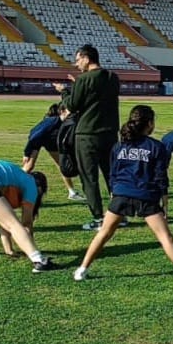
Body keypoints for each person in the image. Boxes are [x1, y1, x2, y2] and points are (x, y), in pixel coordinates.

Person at [72, 105, 173, 285]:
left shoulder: (119, 146)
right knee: (165, 237)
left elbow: (113, 172)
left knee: (104, 233)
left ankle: (81, 270)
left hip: (121, 194)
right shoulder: (156, 147)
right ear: (150, 123)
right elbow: (161, 177)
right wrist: (165, 203)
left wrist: (114, 193)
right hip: (146, 196)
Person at [54, 45, 121, 231]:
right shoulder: (112, 77)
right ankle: (119, 214)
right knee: (111, 174)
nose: (77, 64)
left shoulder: (83, 79)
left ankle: (99, 217)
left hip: (88, 133)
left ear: (86, 58)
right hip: (109, 132)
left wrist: (65, 91)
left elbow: (73, 105)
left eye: (78, 60)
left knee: (89, 177)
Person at [22, 103, 82, 201]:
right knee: (28, 167)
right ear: (62, 111)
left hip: (51, 143)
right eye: (69, 111)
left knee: (62, 166)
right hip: (36, 142)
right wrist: (27, 152)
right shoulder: (51, 121)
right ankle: (12, 188)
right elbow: (34, 136)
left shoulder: (67, 121)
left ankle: (72, 192)